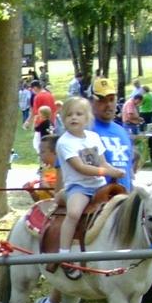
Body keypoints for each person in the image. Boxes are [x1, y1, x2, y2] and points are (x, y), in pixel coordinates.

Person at [50, 96, 125, 273]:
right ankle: (63, 253)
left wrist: (116, 171)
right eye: (69, 115)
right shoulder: (64, 142)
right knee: (74, 213)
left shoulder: (93, 137)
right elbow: (81, 167)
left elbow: (103, 163)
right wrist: (106, 172)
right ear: (63, 118)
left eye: (79, 114)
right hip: (79, 186)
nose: (74, 118)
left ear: (87, 118)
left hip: (99, 185)